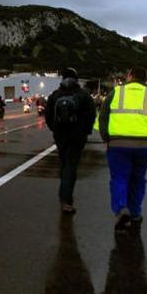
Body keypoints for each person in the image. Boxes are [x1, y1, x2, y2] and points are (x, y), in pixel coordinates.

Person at [98, 67, 147, 232]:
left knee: (119, 178)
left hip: (118, 145)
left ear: (130, 76)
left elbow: (103, 116)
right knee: (138, 179)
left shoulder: (116, 92)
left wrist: (106, 139)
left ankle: (121, 209)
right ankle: (136, 213)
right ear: (144, 79)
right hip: (144, 146)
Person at [45, 68, 96, 214]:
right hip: (77, 136)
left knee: (63, 162)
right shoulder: (83, 95)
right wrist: (85, 131)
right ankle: (66, 199)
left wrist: (54, 129)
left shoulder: (55, 95)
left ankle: (64, 193)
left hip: (60, 136)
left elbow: (48, 116)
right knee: (71, 165)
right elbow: (91, 115)